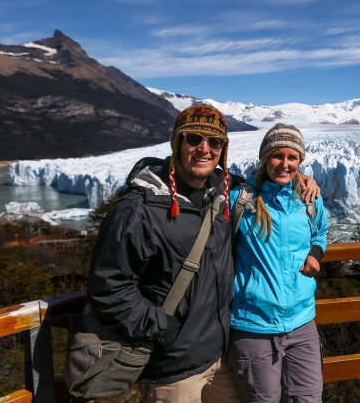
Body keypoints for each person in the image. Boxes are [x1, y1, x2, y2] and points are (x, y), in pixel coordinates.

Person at [86, 104, 319, 403]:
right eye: (194, 139)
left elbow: (270, 182)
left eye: (216, 142)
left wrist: (300, 178)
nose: (204, 149)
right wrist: (161, 329)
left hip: (220, 359)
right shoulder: (138, 209)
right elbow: (108, 288)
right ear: (177, 144)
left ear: (223, 150)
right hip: (172, 369)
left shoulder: (223, 193)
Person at [229, 123, 329, 403]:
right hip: (253, 324)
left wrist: (315, 254)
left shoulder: (308, 199)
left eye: (292, 157)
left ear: (300, 161)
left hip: (302, 321)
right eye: (277, 155)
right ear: (264, 158)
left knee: (309, 398)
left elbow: (320, 231)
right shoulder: (241, 200)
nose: (284, 164)